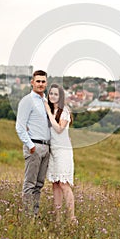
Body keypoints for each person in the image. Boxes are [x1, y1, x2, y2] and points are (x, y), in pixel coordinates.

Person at [16, 70, 50, 217]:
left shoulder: (46, 101)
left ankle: (34, 215)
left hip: (46, 147)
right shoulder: (27, 101)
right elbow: (19, 126)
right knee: (30, 184)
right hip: (34, 147)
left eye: (43, 81)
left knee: (39, 184)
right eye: (38, 81)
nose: (41, 84)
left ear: (46, 83)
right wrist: (31, 146)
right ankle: (27, 217)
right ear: (32, 82)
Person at [45, 84, 77, 224]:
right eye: (51, 93)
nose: (52, 96)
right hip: (53, 151)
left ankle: (71, 218)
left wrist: (48, 111)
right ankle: (57, 218)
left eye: (56, 94)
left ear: (61, 96)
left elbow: (58, 129)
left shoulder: (64, 111)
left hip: (63, 151)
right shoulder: (51, 111)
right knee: (55, 184)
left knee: (64, 183)